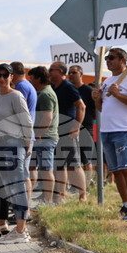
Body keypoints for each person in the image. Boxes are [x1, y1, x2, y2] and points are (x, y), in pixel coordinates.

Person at [93, 46, 127, 220]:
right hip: (107, 130)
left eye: (112, 57)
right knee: (116, 171)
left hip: (124, 130)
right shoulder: (107, 81)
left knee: (126, 168)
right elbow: (102, 108)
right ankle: (126, 205)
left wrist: (117, 95)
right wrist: (97, 99)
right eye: (107, 58)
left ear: (123, 60)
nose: (108, 61)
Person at [0, 65, 33, 244]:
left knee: (17, 187)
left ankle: (20, 230)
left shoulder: (16, 95)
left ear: (11, 77)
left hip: (14, 144)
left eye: (5, 75)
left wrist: (27, 145)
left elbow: (26, 121)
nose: (1, 78)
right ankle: (22, 229)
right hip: (1, 145)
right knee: (10, 189)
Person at [49, 61, 87, 202]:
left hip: (68, 130)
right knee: (60, 165)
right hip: (58, 131)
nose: (49, 72)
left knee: (74, 165)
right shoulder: (54, 87)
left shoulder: (68, 87)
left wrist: (76, 126)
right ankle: (60, 196)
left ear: (60, 71)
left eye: (51, 69)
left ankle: (83, 195)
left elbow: (81, 106)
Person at [27, 66, 59, 206]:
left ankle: (48, 200)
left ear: (39, 78)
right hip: (41, 138)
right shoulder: (43, 93)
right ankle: (30, 198)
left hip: (45, 138)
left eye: (32, 78)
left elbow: (47, 117)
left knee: (46, 170)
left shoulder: (46, 94)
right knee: (32, 168)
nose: (30, 81)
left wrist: (38, 134)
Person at [67, 64, 96, 178]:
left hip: (86, 128)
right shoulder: (68, 89)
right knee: (72, 159)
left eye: (74, 72)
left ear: (81, 74)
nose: (71, 75)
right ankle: (75, 183)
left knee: (86, 159)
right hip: (70, 129)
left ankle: (88, 182)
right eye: (69, 73)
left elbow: (96, 111)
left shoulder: (88, 90)